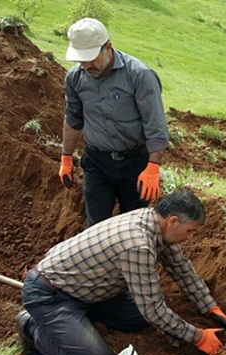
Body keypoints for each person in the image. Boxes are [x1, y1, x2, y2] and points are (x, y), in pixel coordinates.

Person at [15, 190, 226, 355]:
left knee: (138, 318)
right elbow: (153, 309)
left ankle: (78, 322)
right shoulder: (138, 245)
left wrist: (209, 306)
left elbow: (181, 268)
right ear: (173, 221)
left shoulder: (154, 223)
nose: (191, 238)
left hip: (89, 290)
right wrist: (198, 337)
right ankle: (31, 327)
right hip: (51, 295)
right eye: (190, 231)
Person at [59, 18, 169, 227]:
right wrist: (66, 157)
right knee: (95, 228)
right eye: (81, 61)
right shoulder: (75, 78)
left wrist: (153, 166)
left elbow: (155, 125)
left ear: (107, 47)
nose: (87, 66)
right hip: (97, 163)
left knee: (133, 227)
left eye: (91, 59)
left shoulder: (139, 75)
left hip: (135, 163)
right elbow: (73, 118)